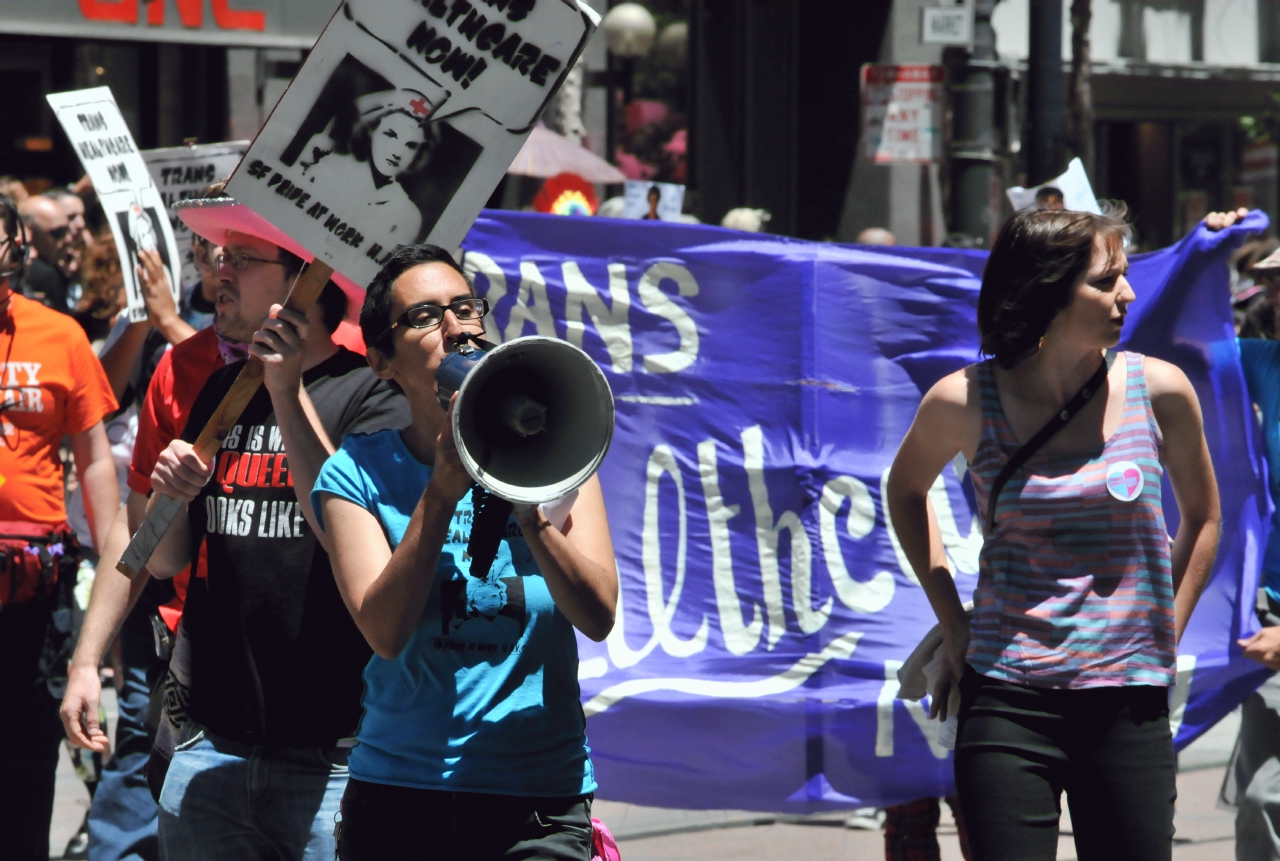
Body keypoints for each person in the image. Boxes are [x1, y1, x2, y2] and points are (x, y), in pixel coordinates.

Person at [885, 205, 1221, 860]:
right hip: (1006, 698)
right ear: (1044, 293)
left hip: (1130, 705)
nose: (1126, 294)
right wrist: (954, 624)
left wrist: (1164, 636)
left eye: (1123, 276)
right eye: (1104, 280)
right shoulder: (962, 401)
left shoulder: (1162, 390)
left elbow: (1205, 519)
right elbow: (905, 490)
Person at [311, 244, 617, 860]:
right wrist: (442, 493)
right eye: (424, 317)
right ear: (380, 360)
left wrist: (522, 493)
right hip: (402, 800)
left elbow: (598, 615)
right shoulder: (356, 475)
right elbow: (385, 631)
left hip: (539, 805)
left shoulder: (557, 456)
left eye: (464, 307)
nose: (456, 327)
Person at [137, 195, 408, 861]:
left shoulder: (371, 398)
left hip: (333, 755)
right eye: (218, 258)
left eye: (242, 260)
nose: (218, 273)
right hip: (215, 746)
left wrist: (287, 391)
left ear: (303, 279)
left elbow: (347, 539)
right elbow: (167, 559)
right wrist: (169, 495)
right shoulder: (220, 393)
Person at [0, 193, 120, 861]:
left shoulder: (60, 335)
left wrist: (113, 567)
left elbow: (95, 455)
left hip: (34, 596)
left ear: (16, 244)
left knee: (23, 767)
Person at [300, 88, 443, 244]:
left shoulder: (407, 215)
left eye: (411, 145)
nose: (398, 151)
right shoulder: (326, 167)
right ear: (371, 131)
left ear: (418, 154)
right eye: (390, 135)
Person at [18, 193, 76, 312]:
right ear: (29, 233)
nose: (68, 239)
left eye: (67, 230)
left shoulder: (58, 267)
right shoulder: (43, 275)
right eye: (58, 233)